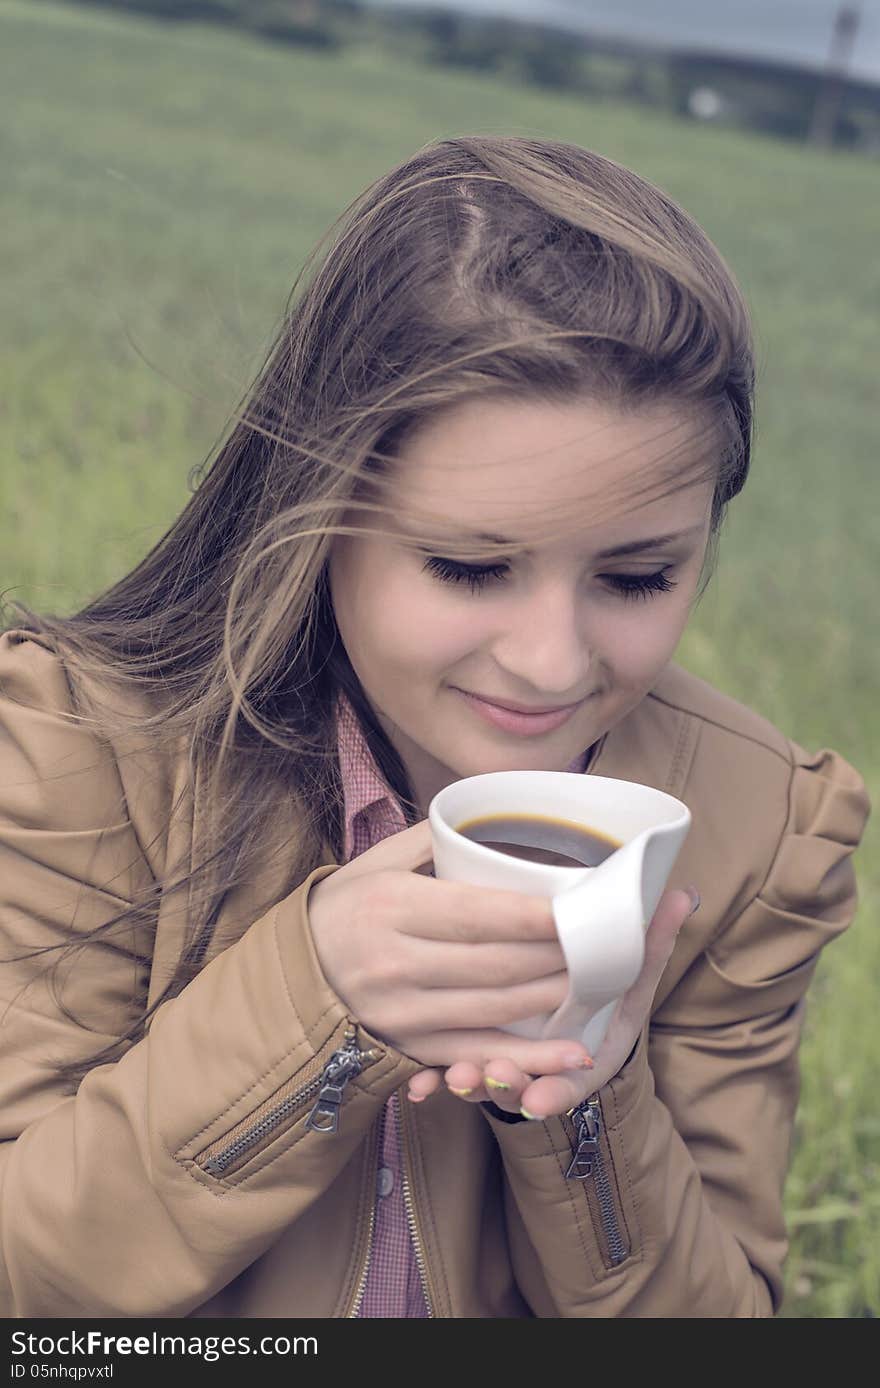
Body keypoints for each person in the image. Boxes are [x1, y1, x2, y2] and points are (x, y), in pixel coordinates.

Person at [0, 135, 869, 1320]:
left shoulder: (759, 831)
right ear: (316, 509)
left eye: (636, 577)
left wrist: (589, 1101)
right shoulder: (79, 753)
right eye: (468, 566)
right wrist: (320, 1003)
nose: (552, 660)